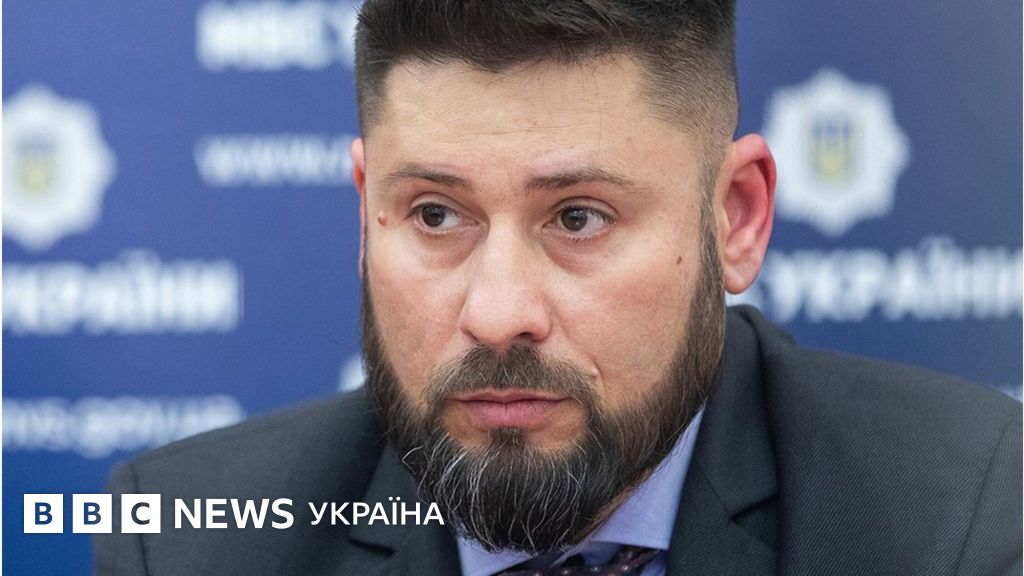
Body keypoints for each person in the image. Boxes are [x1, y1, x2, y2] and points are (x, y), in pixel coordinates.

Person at [94, 1, 1022, 574]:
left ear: (734, 218)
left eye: (579, 217)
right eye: (435, 215)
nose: (499, 314)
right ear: (364, 213)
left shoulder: (962, 520)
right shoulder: (187, 543)